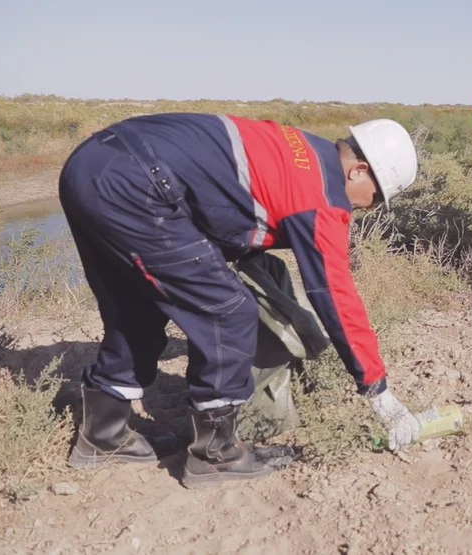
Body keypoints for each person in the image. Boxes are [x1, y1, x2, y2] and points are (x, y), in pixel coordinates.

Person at [58, 113, 425, 488]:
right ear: (358, 171)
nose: (368, 207)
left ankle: (102, 436)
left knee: (136, 306)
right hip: (138, 184)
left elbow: (225, 200)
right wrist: (378, 391)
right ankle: (216, 455)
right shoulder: (322, 193)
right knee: (228, 312)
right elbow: (335, 293)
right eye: (377, 198)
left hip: (91, 164)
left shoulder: (302, 148)